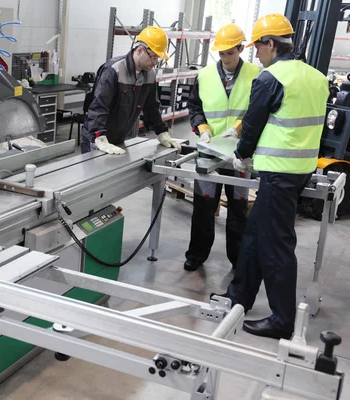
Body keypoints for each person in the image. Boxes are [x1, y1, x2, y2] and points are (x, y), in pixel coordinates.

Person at [214, 14, 329, 339]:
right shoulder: (317, 77)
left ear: (270, 44)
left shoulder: (271, 78)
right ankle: (240, 297)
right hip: (301, 168)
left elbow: (252, 124)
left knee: (276, 244)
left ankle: (282, 319)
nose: (256, 54)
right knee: (254, 234)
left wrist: (240, 155)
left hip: (279, 172)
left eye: (257, 47)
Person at [184, 24, 260, 272]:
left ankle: (238, 261)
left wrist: (240, 126)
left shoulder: (256, 74)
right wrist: (202, 127)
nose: (225, 57)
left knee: (238, 210)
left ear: (241, 48)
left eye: (230, 52)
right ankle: (196, 255)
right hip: (209, 152)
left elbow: (259, 108)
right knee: (203, 207)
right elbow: (194, 107)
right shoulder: (204, 75)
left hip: (240, 152)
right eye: (222, 53)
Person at [81, 26, 181, 155]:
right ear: (140, 50)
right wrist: (99, 136)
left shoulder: (149, 75)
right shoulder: (114, 70)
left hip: (119, 137)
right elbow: (99, 106)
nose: (155, 63)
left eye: (158, 59)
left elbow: (151, 107)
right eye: (153, 57)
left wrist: (162, 132)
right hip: (97, 139)